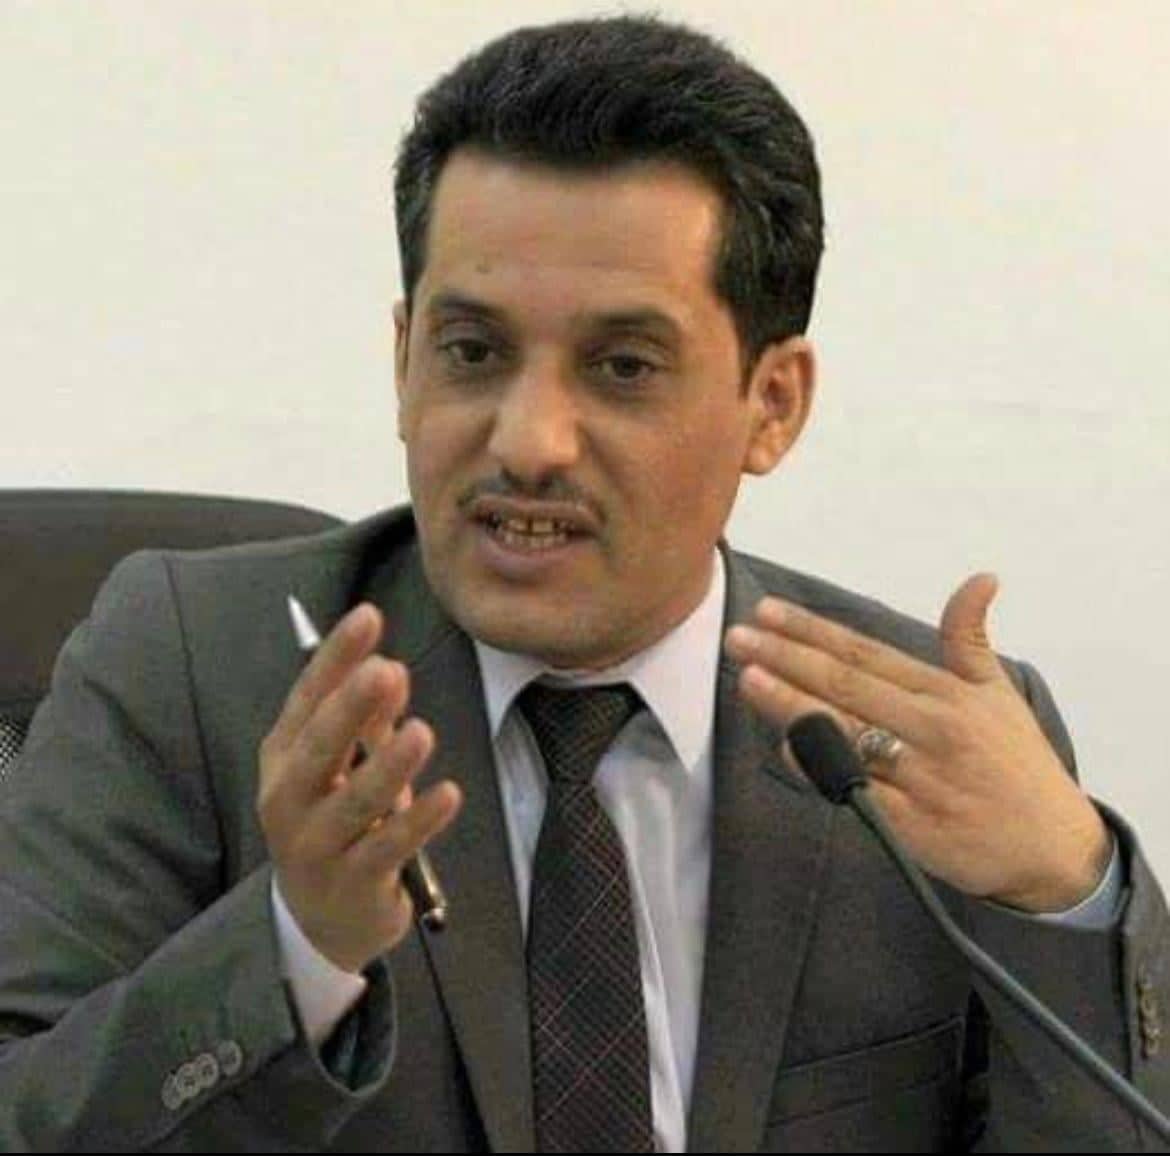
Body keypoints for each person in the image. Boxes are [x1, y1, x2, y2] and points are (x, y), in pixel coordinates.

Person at [0, 14, 1167, 1153]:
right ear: (403, 362)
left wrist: (1070, 895)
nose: (529, 441)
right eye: (473, 352)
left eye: (622, 367)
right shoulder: (195, 668)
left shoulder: (919, 746)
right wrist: (296, 946)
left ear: (773, 404)